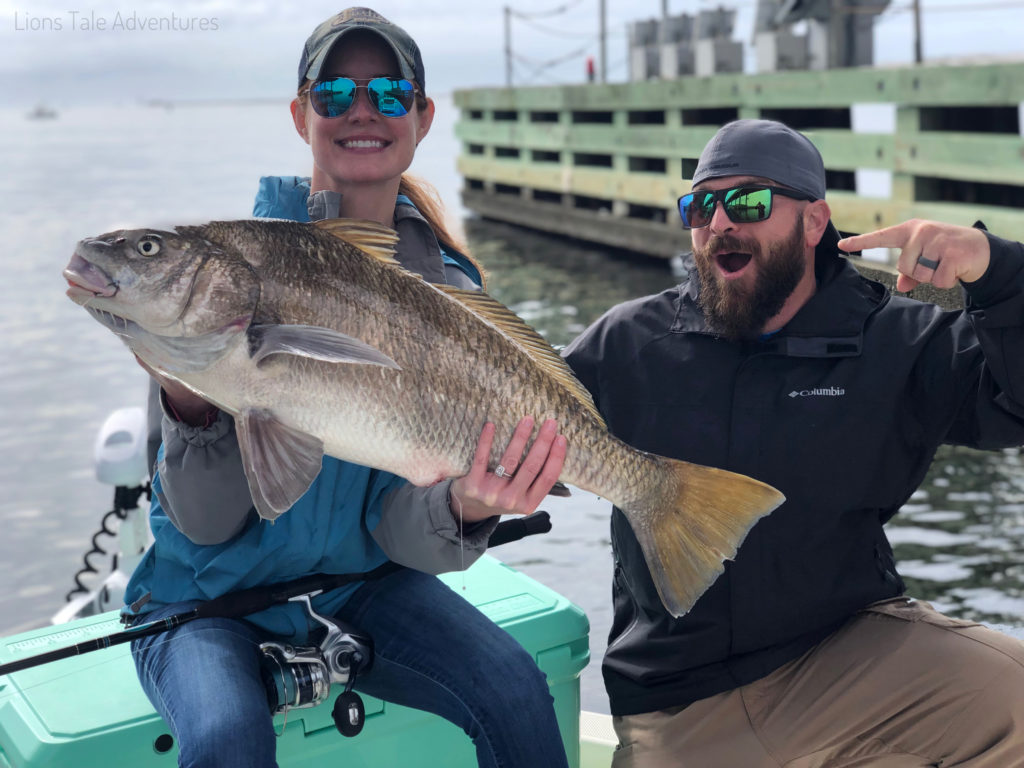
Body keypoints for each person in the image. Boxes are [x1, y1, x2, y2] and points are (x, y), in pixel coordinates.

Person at [123, 8, 570, 768]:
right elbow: (203, 527)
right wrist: (193, 405)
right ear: (301, 115)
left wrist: (466, 507)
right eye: (334, 93)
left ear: (423, 118)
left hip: (359, 586)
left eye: (389, 94)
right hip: (202, 601)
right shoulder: (225, 271)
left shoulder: (452, 296)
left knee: (516, 689)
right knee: (228, 735)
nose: (362, 110)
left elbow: (396, 535)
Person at [564, 118, 1024, 767]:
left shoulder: (895, 337)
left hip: (849, 649)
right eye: (701, 205)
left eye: (748, 202)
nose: (720, 222)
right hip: (684, 697)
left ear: (814, 223)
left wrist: (999, 273)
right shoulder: (627, 342)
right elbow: (516, 424)